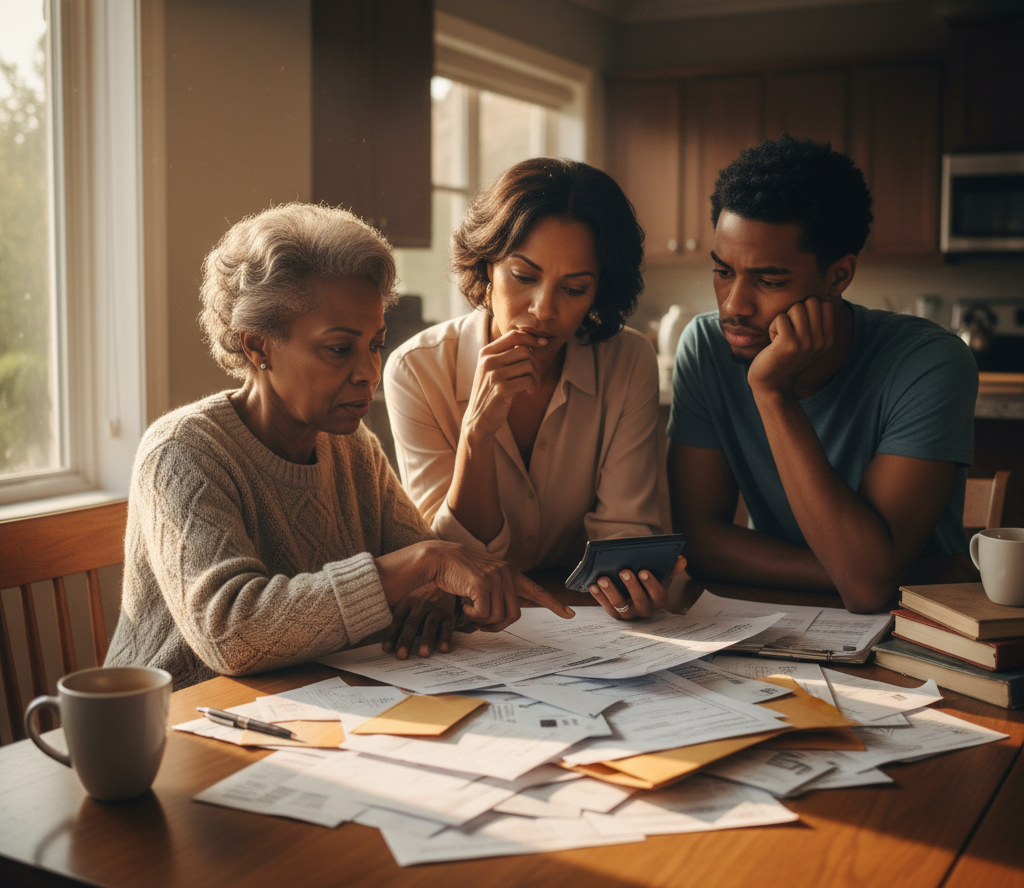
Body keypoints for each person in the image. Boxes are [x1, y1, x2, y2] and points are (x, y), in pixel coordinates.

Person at [104, 203, 573, 689]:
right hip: (171, 729)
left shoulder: (351, 449)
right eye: (339, 348)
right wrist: (425, 564)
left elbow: (434, 585)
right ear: (257, 346)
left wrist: (450, 589)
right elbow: (232, 634)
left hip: (306, 706)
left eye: (375, 343)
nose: (369, 372)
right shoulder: (182, 452)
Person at [667, 135, 978, 614]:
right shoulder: (707, 347)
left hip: (918, 632)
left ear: (838, 276)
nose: (734, 306)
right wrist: (876, 572)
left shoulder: (930, 362)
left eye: (769, 281)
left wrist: (772, 393)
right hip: (771, 614)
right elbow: (698, 541)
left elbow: (869, 592)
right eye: (723, 271)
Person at [384, 157, 686, 622]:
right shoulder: (417, 370)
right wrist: (477, 435)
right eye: (524, 278)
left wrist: (633, 585)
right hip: (476, 628)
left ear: (599, 292)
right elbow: (452, 563)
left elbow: (622, 536)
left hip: (585, 620)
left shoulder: (627, 360)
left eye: (575, 288)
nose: (544, 310)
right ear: (486, 271)